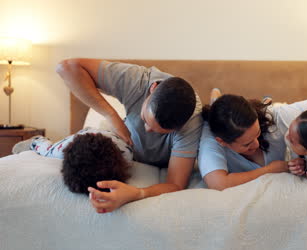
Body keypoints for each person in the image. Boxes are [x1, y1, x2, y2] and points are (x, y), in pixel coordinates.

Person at [56, 59, 203, 213]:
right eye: (145, 119)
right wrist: (111, 115)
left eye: (157, 131)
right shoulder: (137, 81)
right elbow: (65, 67)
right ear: (153, 88)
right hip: (124, 143)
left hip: (165, 162)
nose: (147, 129)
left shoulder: (192, 122)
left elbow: (175, 185)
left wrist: (137, 193)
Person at [198, 92, 307, 190]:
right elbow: (218, 183)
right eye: (247, 144)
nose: (256, 144)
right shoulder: (210, 139)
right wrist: (270, 169)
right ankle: (215, 96)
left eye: (258, 134)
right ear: (223, 142)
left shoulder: (275, 116)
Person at [12, 128, 133, 194]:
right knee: (48, 149)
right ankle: (36, 140)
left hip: (106, 136)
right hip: (83, 135)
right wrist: (35, 143)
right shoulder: (128, 155)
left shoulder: (126, 153)